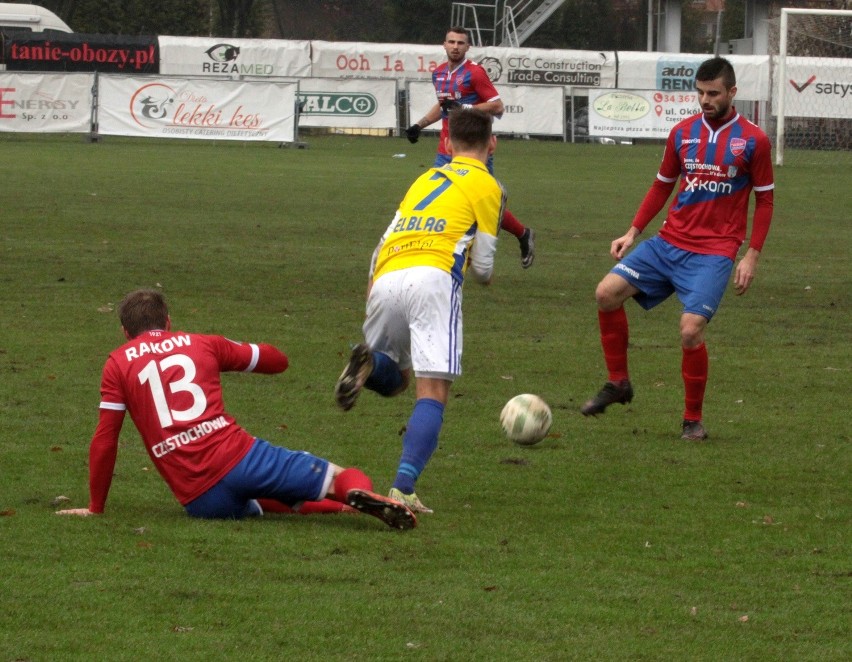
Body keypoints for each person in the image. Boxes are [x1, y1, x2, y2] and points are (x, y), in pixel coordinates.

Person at [56, 289, 416, 530]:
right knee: (337, 476)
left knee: (267, 500)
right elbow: (277, 361)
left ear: (124, 331)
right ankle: (358, 495)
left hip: (199, 497)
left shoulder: (117, 364)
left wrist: (95, 507)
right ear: (168, 322)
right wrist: (233, 352)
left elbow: (106, 439)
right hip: (240, 457)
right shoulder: (201, 344)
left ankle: (344, 508)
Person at [580, 57, 775, 440]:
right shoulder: (682, 133)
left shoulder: (754, 140)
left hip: (715, 252)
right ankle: (618, 382)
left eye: (713, 93)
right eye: (700, 93)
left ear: (732, 93)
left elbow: (765, 201)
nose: (705, 100)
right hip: (668, 243)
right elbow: (662, 185)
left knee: (690, 331)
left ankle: (692, 420)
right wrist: (633, 232)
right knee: (606, 293)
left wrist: (751, 254)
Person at [335, 108, 504, 513]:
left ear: (446, 144)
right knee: (433, 392)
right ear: (492, 144)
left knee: (396, 381)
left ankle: (371, 364)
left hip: (387, 275)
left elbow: (384, 239)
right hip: (432, 279)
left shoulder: (425, 178)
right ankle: (403, 489)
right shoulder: (488, 184)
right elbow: (482, 269)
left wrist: (372, 289)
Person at [404, 26, 535, 269]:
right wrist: (419, 125)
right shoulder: (439, 73)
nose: (455, 46)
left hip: (475, 148)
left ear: (467, 47)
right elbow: (444, 106)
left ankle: (522, 234)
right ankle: (440, 247)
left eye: (460, 43)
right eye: (451, 42)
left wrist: (464, 108)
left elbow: (497, 107)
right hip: (447, 148)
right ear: (444, 44)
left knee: (484, 203)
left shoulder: (475, 73)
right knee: (439, 198)